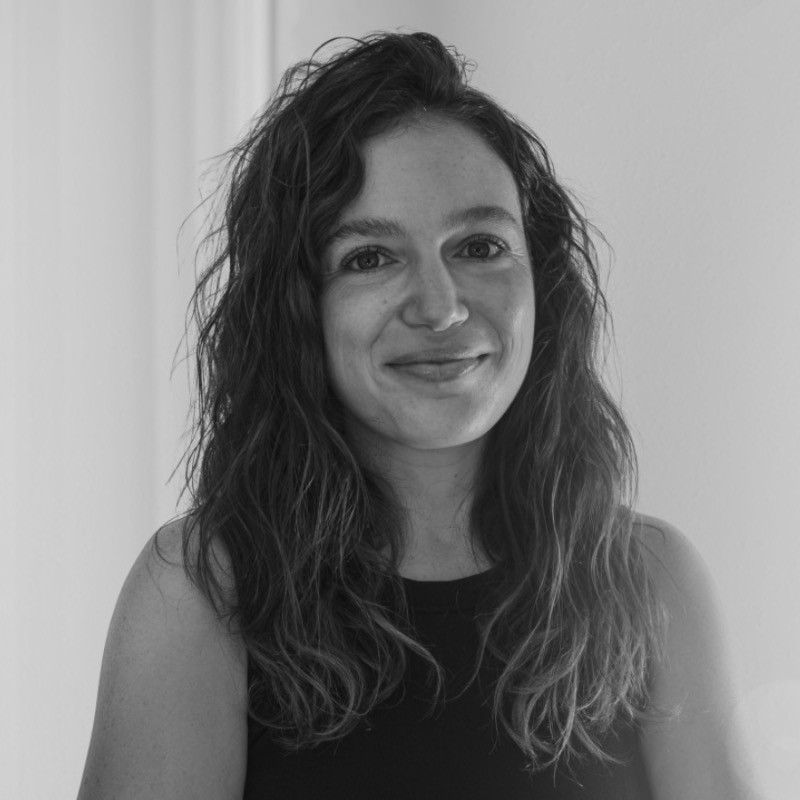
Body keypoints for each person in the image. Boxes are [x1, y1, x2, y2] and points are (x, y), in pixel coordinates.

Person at [77, 31, 753, 799]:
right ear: (300, 308)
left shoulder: (651, 584)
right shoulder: (201, 595)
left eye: (479, 245)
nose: (440, 306)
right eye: (370, 258)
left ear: (542, 282)